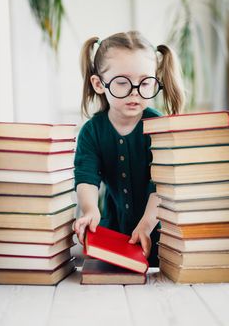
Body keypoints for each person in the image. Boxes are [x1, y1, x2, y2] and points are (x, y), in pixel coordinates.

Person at [73, 30, 185, 266]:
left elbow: (161, 186)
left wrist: (145, 226)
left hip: (160, 238)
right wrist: (90, 210)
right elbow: (87, 178)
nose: (135, 91)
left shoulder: (159, 128)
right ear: (98, 84)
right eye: (122, 82)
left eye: (145, 82)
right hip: (111, 237)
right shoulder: (91, 132)